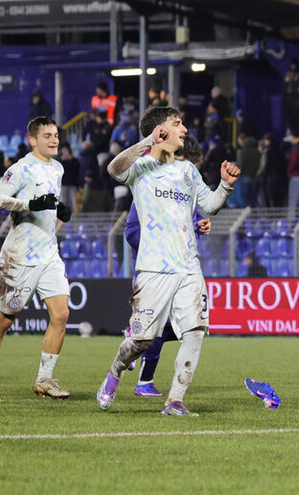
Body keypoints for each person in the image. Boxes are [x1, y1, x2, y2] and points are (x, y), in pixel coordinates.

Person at [96, 107, 239, 416]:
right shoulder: (142, 167)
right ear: (161, 131)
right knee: (142, 340)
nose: (184, 129)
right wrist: (147, 142)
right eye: (177, 124)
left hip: (189, 266)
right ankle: (116, 371)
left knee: (196, 330)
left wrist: (225, 186)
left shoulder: (188, 171)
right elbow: (113, 169)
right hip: (153, 268)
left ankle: (175, 399)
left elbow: (210, 205)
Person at [0, 117, 74, 402]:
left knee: (62, 314)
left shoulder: (57, 168)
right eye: (47, 136)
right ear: (33, 140)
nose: (54, 140)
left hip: (48, 253)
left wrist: (59, 210)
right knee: (5, 320)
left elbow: (47, 200)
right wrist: (29, 204)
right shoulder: (20, 169)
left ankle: (44, 380)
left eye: (56, 135)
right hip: (20, 256)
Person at [124, 135, 212, 399]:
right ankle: (142, 377)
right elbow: (131, 231)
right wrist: (158, 246)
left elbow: (184, 225)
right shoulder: (150, 184)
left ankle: (135, 345)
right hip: (154, 271)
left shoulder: (186, 190)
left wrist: (199, 225)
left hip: (182, 269)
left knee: (195, 325)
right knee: (162, 329)